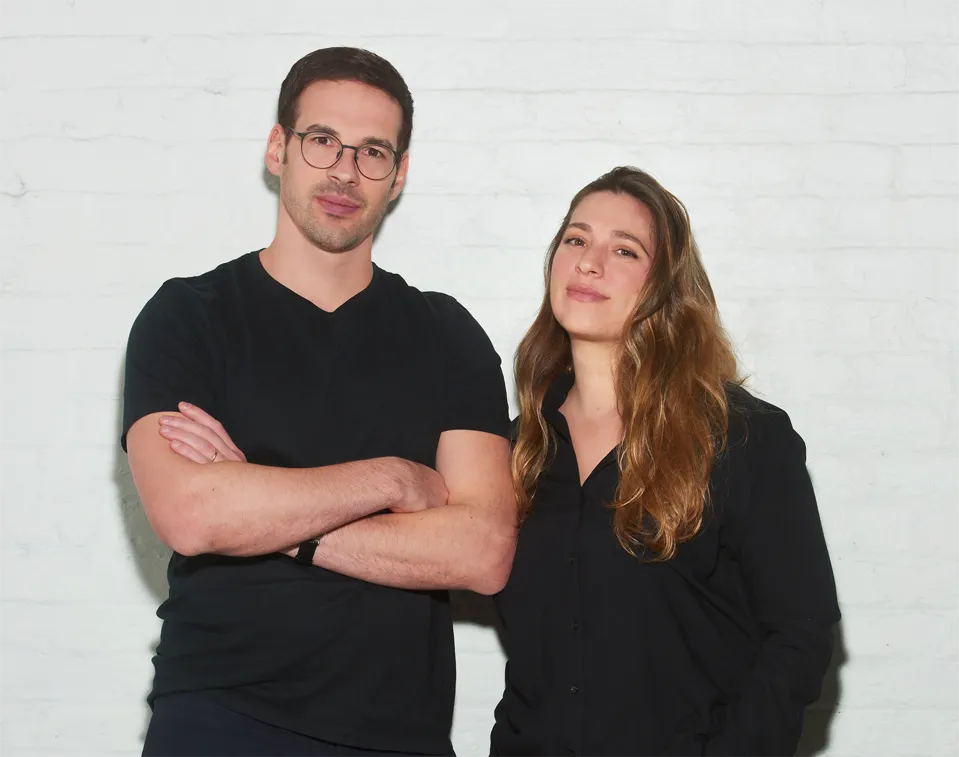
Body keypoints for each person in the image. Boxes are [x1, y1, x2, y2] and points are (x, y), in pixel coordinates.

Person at [121, 47, 515, 757]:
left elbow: (482, 551)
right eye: (322, 140)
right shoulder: (189, 315)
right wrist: (392, 480)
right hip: (220, 717)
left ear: (398, 175)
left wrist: (265, 508)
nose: (345, 171)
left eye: (372, 152)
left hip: (399, 733)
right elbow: (191, 514)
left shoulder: (445, 334)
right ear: (278, 148)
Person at [490, 167, 840, 757]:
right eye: (575, 239)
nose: (589, 263)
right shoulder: (517, 449)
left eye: (624, 250)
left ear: (666, 286)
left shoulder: (744, 440)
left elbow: (800, 637)